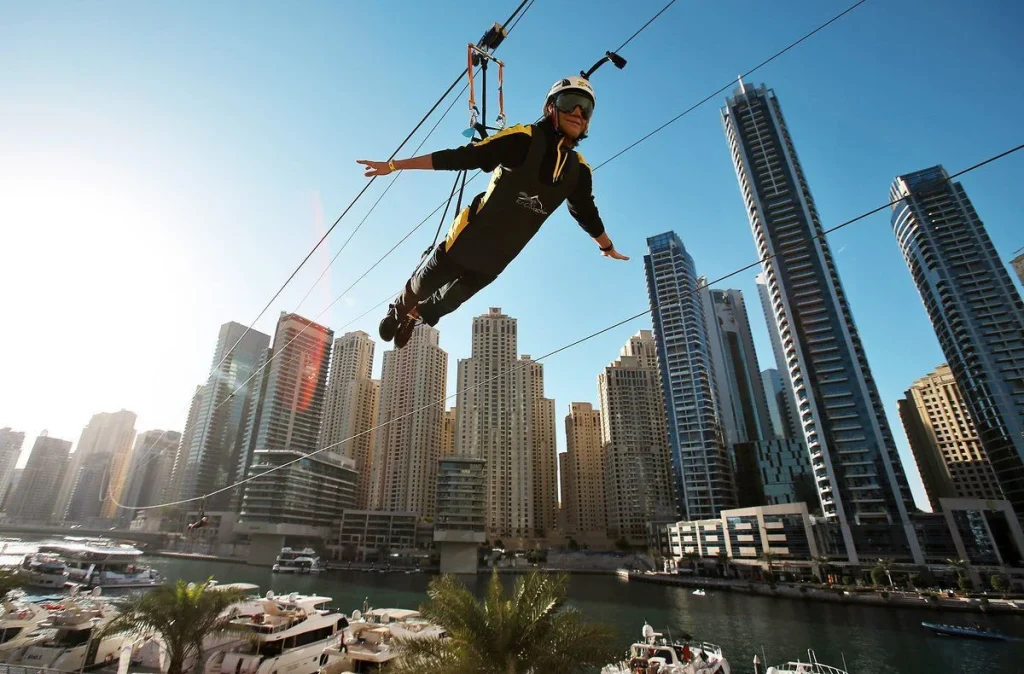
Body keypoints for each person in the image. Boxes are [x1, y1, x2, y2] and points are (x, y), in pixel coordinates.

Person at [357, 76, 629, 348]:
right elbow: (462, 157)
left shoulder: (579, 172)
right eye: (570, 103)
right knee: (420, 287)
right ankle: (400, 309)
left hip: (498, 258)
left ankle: (415, 317)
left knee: (444, 304)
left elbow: (586, 213)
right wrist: (394, 166)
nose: (578, 113)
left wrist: (607, 247)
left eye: (586, 109)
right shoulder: (523, 139)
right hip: (466, 239)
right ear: (550, 108)